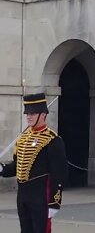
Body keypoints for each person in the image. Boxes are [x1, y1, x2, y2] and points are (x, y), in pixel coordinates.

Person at [0, 93, 68, 233]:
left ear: (43, 114)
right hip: (23, 195)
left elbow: (59, 174)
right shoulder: (23, 139)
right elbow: (16, 166)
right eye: (27, 113)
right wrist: (2, 168)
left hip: (40, 196)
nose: (29, 116)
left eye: (33, 113)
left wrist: (54, 203)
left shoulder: (53, 140)